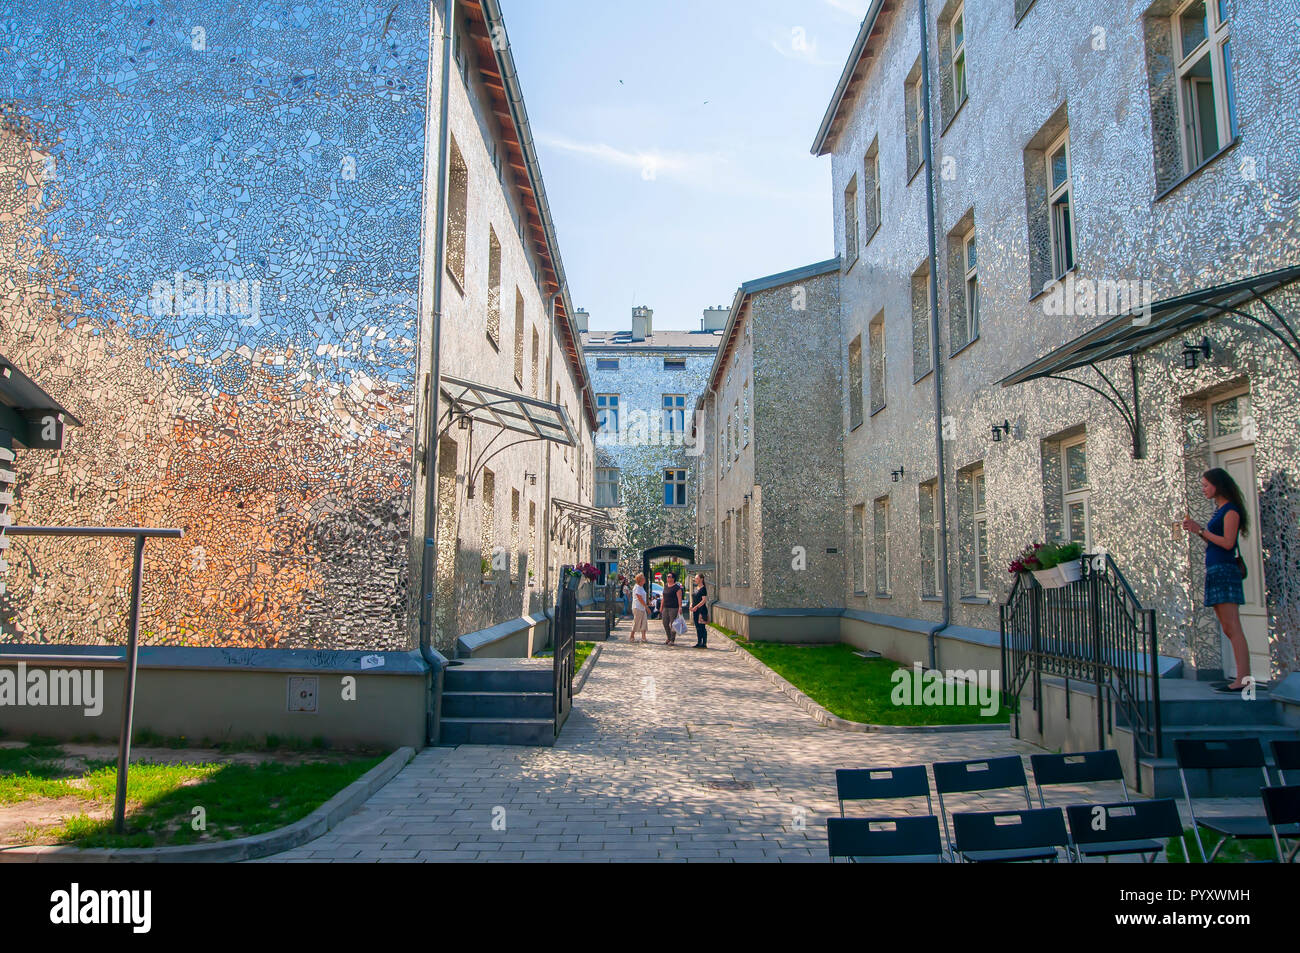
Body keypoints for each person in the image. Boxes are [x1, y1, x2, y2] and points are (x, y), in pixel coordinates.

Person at [1182, 467, 1253, 693]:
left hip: (1224, 571)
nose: (1203, 489)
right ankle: (1241, 677)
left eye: (1206, 485)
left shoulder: (1230, 511)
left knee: (1233, 626)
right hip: (1215, 569)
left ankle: (1243, 678)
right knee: (1226, 627)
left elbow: (1227, 543)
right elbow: (1215, 542)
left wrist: (1200, 529)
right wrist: (1198, 531)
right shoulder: (1219, 510)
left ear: (1217, 485)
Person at [660, 572, 684, 644]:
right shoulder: (666, 586)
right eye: (667, 577)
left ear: (673, 578)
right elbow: (663, 597)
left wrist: (680, 607)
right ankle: (668, 637)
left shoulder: (677, 588)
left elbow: (679, 598)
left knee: (673, 624)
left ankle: (672, 640)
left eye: (669, 577)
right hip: (665, 607)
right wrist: (661, 606)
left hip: (674, 608)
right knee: (665, 623)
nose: (668, 578)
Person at [690, 573, 709, 649]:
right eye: (695, 578)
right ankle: (699, 642)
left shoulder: (703, 589)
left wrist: (696, 607)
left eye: (697, 578)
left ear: (701, 579)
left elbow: (704, 600)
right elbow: (694, 598)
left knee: (702, 626)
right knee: (697, 626)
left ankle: (704, 643)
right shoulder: (696, 588)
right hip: (695, 610)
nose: (695, 580)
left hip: (701, 610)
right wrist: (691, 605)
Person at [629, 573, 649, 643]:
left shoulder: (641, 587)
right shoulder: (637, 587)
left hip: (642, 608)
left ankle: (643, 637)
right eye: (644, 578)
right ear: (640, 580)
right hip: (637, 607)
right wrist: (646, 607)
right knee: (636, 622)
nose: (645, 579)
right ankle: (632, 636)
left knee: (644, 621)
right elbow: (639, 598)